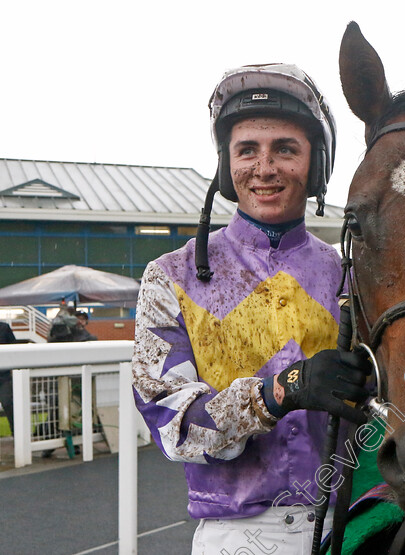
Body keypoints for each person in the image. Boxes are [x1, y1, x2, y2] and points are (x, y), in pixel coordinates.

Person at [132, 63, 370, 554]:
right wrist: (278, 393)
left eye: (285, 149)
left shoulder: (351, 274)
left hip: (352, 526)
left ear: (316, 165)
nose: (265, 168)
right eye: (247, 150)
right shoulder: (168, 277)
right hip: (235, 535)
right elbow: (171, 426)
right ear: (225, 165)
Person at [0, 321, 16, 436]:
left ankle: (16, 433)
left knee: (8, 404)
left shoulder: (4, 327)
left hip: (4, 375)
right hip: (5, 375)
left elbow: (14, 348)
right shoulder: (4, 327)